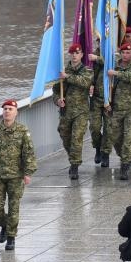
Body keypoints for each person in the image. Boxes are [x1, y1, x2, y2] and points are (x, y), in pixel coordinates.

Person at [0, 99, 37, 251]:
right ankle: (4, 225)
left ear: (16, 112)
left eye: (10, 109)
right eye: (5, 109)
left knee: (13, 207)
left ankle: (11, 237)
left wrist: (28, 172)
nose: (7, 111)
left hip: (15, 176)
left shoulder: (23, 131)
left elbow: (28, 153)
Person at [104, 42, 131, 180]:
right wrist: (107, 101)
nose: (125, 55)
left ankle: (125, 166)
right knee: (114, 136)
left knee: (128, 138)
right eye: (123, 53)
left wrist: (115, 73)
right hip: (116, 109)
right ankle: (125, 156)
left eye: (128, 52)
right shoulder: (113, 65)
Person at [52, 43, 92, 180]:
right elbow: (55, 90)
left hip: (81, 111)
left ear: (81, 55)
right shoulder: (63, 70)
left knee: (77, 138)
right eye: (72, 53)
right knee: (64, 135)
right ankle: (73, 157)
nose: (74, 55)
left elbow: (85, 82)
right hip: (66, 111)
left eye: (77, 53)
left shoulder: (86, 70)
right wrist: (58, 100)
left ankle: (74, 165)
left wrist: (67, 77)